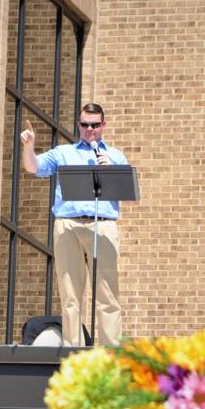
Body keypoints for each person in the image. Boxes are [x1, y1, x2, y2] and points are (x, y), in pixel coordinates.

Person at [20, 103, 128, 346]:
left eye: (95, 125)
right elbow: (33, 167)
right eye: (85, 125)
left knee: (108, 294)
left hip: (103, 225)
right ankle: (73, 349)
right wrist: (29, 147)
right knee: (70, 295)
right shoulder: (63, 152)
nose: (90, 130)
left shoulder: (116, 155)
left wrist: (111, 169)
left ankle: (111, 350)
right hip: (68, 224)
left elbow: (126, 189)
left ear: (103, 125)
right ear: (79, 125)